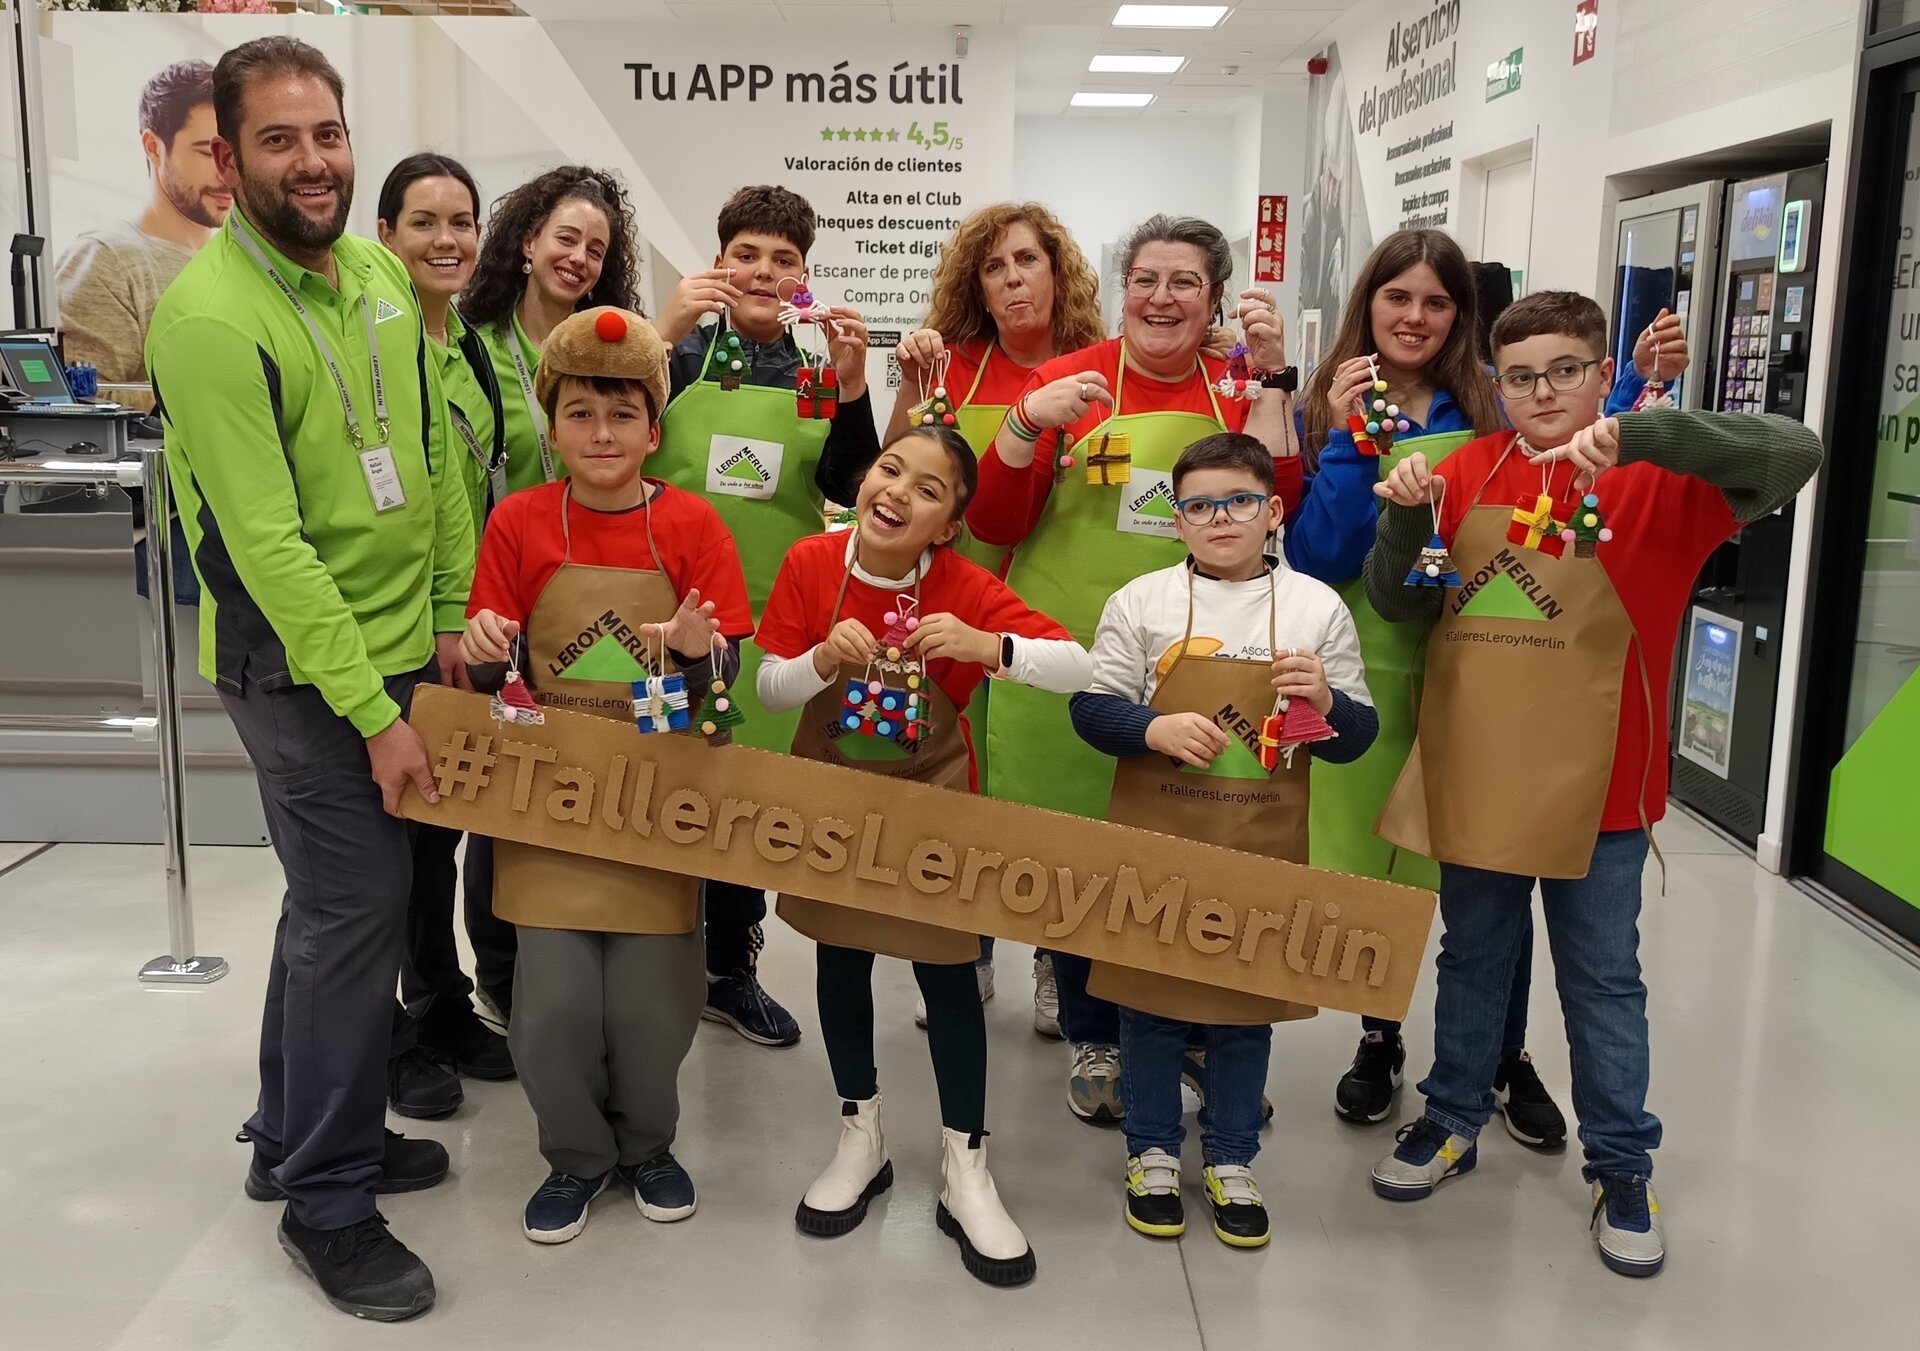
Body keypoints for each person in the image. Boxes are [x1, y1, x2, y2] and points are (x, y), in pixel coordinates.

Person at [1362, 291, 1823, 1278]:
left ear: (1600, 372)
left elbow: (1795, 451)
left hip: (1605, 791)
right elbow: (1399, 603)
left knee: (1604, 979)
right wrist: (1401, 519)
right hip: (1479, 776)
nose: (1542, 393)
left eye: (1566, 371)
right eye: (1519, 376)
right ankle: (1452, 1118)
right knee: (1473, 959)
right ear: (1495, 383)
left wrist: (1649, 430)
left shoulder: (1659, 482)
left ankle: (1622, 1164)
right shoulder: (1461, 473)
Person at [146, 36, 475, 1321]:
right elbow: (271, 551)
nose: (312, 161)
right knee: (358, 907)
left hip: (396, 645)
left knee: (331, 908)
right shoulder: (210, 320)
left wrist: (442, 622)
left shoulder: (381, 275)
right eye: (277, 140)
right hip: (296, 664)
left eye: (326, 133)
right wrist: (378, 712)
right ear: (227, 160)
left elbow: (432, 455)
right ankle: (327, 1204)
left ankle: (290, 1135)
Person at [1285, 229, 1685, 1135]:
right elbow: (1317, 555)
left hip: (1496, 665)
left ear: (1462, 315)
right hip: (1375, 663)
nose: (1415, 317)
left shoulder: (1489, 402)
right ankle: (1381, 1038)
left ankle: (1506, 1054)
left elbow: (1582, 463)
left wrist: (1639, 387)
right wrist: (1348, 442)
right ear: (1367, 303)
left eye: (1437, 301)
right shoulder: (1327, 402)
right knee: (1386, 869)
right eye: (1397, 297)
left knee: (1507, 861)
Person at [965, 213, 1300, 1126]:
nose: (1161, 298)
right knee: (1080, 859)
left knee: (1191, 853)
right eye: (1145, 279)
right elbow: (994, 521)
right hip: (1072, 653)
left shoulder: (1236, 389)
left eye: (1184, 282)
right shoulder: (1069, 381)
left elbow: (1287, 506)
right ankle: (1096, 1033)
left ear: (1215, 299)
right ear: (1122, 291)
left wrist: (1275, 386)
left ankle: (1187, 1031)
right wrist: (1025, 423)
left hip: (1207, 665)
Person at [754, 425, 1092, 1288]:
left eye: (929, 489)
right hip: (836, 800)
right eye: (890, 468)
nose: (898, 491)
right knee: (841, 956)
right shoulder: (812, 564)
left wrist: (990, 648)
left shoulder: (964, 587)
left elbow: (1078, 664)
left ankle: (965, 1162)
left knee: (948, 974)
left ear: (948, 526)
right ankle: (859, 1134)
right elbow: (769, 687)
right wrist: (820, 659)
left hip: (935, 807)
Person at [460, 305, 752, 1245]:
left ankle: (648, 1147)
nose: (601, 434)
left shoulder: (694, 525)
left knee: (652, 1008)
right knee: (551, 1009)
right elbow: (493, 677)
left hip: (657, 807)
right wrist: (483, 651)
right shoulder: (518, 522)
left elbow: (724, 681)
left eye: (622, 415)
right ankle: (576, 1157)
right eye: (580, 414)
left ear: (654, 431)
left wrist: (702, 653)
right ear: (551, 428)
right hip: (547, 805)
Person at [1069, 432, 1377, 1248]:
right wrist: (1152, 726)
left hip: (1260, 842)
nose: (1220, 518)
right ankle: (1152, 1152)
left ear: (1273, 511)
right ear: (1178, 521)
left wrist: (1328, 703)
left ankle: (1232, 1157)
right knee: (1149, 1002)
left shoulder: (1316, 608)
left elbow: (1356, 739)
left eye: (1239, 501)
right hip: (1158, 836)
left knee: (1245, 1012)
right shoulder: (1142, 602)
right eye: (1199, 505)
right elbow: (1091, 708)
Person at [651, 184, 879, 1050]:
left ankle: (729, 973)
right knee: (661, 787)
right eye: (746, 254)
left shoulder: (815, 374)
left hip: (767, 626)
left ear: (803, 278)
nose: (762, 272)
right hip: (665, 626)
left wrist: (853, 387)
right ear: (718, 262)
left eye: (784, 261)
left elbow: (851, 484)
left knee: (743, 803)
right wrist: (662, 331)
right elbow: (607, 430)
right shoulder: (677, 355)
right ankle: (649, 963)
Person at [883, 201, 1105, 1038]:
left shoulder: (1100, 371)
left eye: (1027, 261)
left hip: (1050, 604)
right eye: (994, 267)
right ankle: (964, 951)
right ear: (975, 285)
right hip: (951, 603)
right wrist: (911, 385)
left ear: (1058, 271)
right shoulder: (955, 367)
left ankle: (1054, 957)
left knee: (1053, 796)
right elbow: (895, 464)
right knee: (954, 784)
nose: (1012, 280)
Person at [456, 163, 643, 1023]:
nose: (579, 258)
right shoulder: (471, 348)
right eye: (566, 237)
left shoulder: (609, 354)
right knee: (498, 793)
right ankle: (499, 978)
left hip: (587, 602)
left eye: (596, 249)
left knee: (578, 783)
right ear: (527, 242)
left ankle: (576, 963)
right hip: (494, 600)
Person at [376, 152, 516, 1091]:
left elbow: (466, 495)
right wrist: (436, 620)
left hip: (457, 618)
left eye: (461, 222)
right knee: (385, 844)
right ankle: (392, 1030)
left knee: (441, 826)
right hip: (394, 623)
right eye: (423, 222)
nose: (446, 240)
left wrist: (463, 619)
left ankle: (438, 1000)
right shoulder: (381, 346)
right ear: (384, 234)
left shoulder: (465, 343)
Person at [57, 60, 231, 410]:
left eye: (232, 154)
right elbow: (84, 408)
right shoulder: (105, 262)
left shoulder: (241, 260)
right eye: (206, 152)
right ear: (153, 147)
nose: (227, 172)